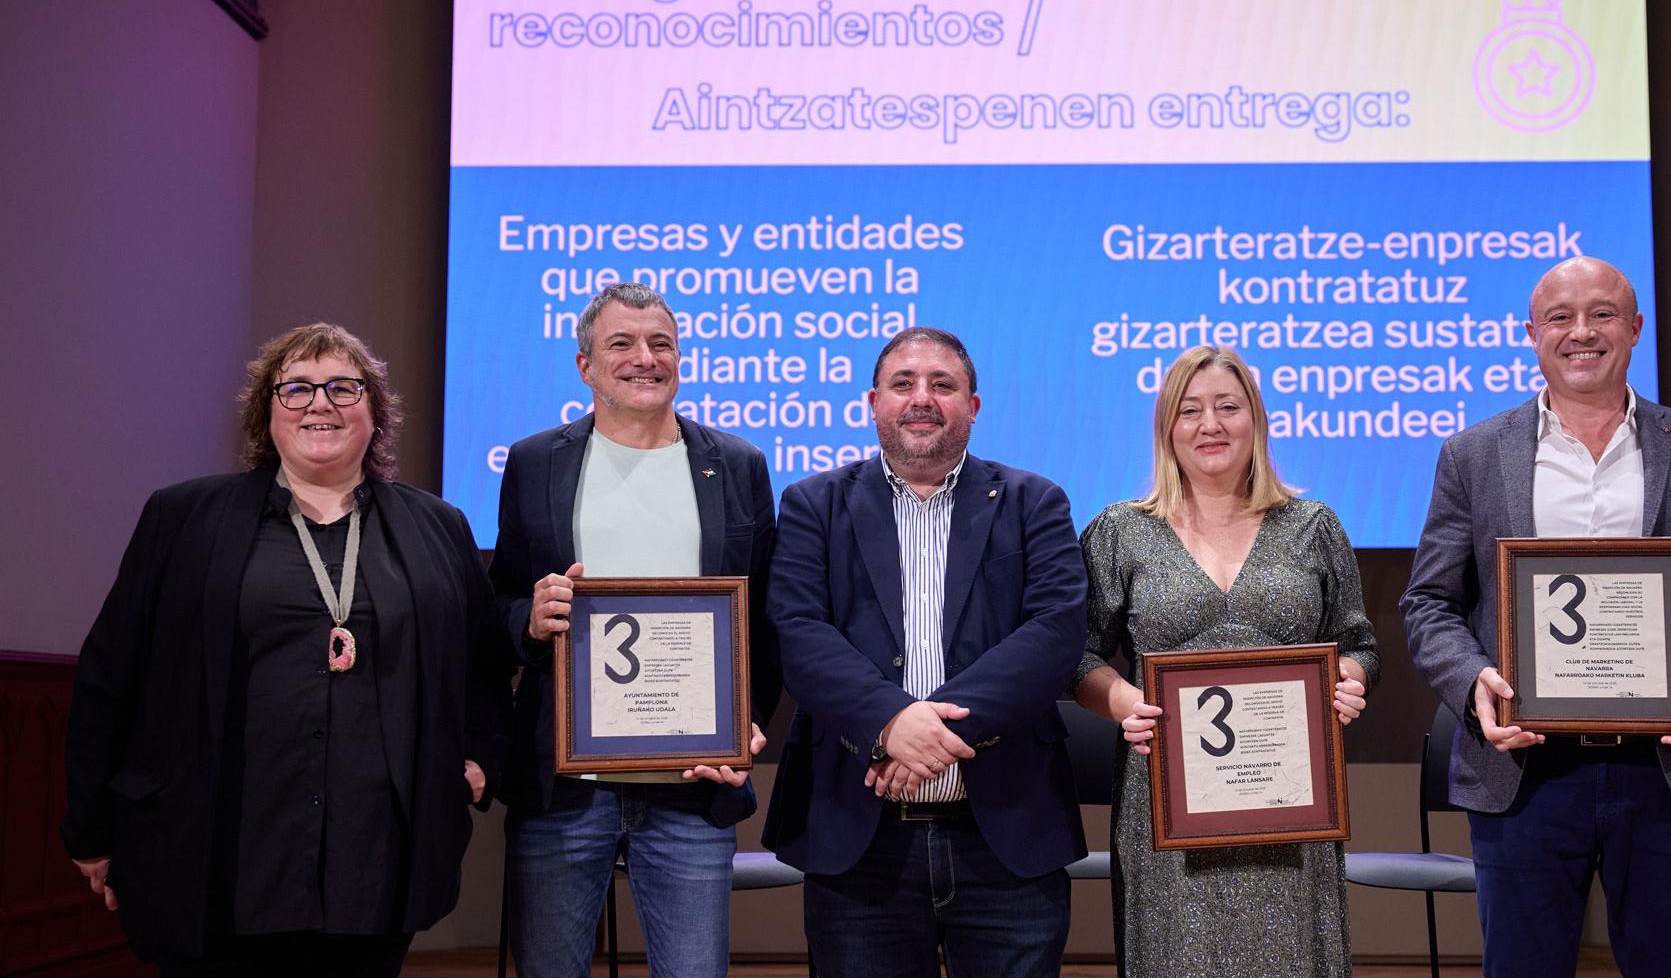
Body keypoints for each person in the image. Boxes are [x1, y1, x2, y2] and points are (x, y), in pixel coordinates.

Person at [61, 324, 510, 977]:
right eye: (296, 387)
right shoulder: (184, 517)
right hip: (215, 853)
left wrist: (478, 763)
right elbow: (110, 676)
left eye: (342, 387)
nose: (319, 403)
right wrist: (91, 830)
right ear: (265, 411)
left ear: (374, 411)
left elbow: (484, 666)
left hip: (376, 861)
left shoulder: (438, 527)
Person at [1401, 256, 1671, 977]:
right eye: (1560, 317)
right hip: (1524, 775)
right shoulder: (1471, 454)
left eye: (1602, 314)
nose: (1581, 332)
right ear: (1531, 333)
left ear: (1635, 327)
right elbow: (1429, 604)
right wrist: (1474, 682)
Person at [761, 327, 1088, 977]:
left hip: (1006, 830)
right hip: (858, 837)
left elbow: (1055, 631)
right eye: (904, 384)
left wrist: (921, 728)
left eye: (943, 385)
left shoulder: (1034, 503)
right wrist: (890, 720)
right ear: (872, 402)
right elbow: (797, 631)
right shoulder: (813, 504)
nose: (922, 398)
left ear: (973, 405)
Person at [490, 283, 779, 978]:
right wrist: (525, 619)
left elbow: (765, 619)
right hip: (566, 786)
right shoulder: (535, 463)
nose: (644, 358)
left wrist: (749, 720)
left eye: (661, 344)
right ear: (585, 364)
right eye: (621, 343)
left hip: (692, 782)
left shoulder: (737, 465)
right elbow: (497, 601)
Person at [1074, 344, 1379, 977]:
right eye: (1189, 411)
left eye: (1227, 407)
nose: (1210, 425)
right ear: (1167, 428)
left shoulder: (1312, 526)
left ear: (1256, 420)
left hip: (1290, 800)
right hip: (1166, 800)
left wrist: (1349, 679)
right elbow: (1075, 657)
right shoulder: (1118, 532)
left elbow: (1358, 644)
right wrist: (1126, 701)